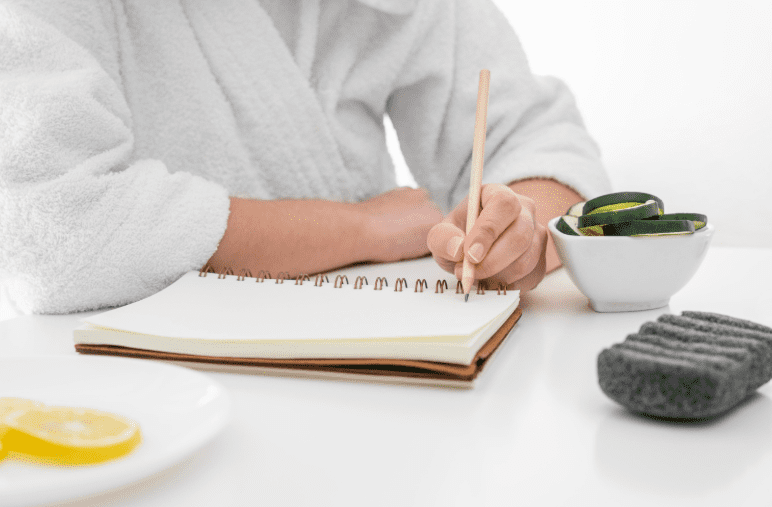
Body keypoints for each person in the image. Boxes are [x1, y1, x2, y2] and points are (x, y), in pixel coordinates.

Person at [0, 0, 611, 315]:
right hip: (124, 388)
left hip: (375, 365)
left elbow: (535, 138)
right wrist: (359, 228)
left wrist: (522, 226)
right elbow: (50, 224)